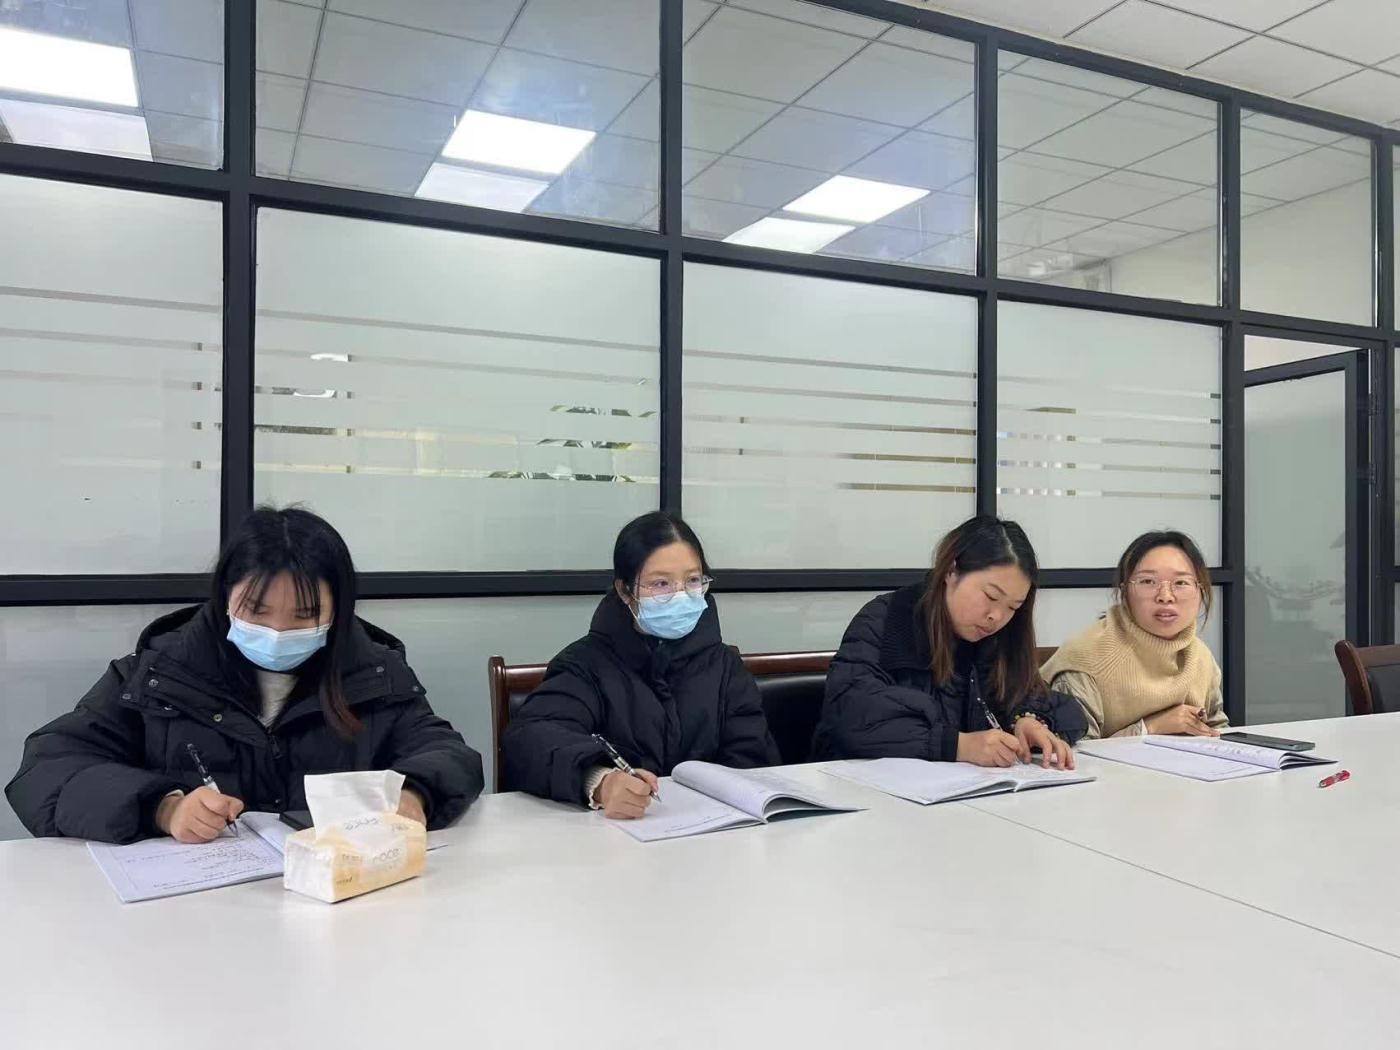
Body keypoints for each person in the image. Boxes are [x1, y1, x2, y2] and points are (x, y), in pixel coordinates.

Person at [6, 506, 483, 844]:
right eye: (256, 610)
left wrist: (415, 792)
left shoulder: (373, 675)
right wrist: (162, 807)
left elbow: (446, 752)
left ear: (338, 610)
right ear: (225, 597)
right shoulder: (158, 676)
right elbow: (47, 769)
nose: (278, 631)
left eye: (305, 614)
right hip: (194, 914)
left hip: (340, 903)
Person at [501, 511, 777, 818]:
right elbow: (531, 739)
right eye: (660, 584)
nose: (681, 596)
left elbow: (753, 758)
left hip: (715, 832)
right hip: (616, 835)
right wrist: (599, 780)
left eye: (693, 580)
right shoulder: (586, 664)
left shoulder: (725, 665)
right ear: (625, 590)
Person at [813, 515, 1085, 768]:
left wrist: (1027, 720)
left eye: (1013, 607)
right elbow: (850, 717)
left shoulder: (999, 640)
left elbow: (1066, 710)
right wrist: (959, 746)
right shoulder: (887, 621)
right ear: (952, 571)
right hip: (868, 790)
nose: (997, 616)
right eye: (991, 596)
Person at [1041, 530, 1227, 739]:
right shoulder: (1086, 659)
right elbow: (1075, 751)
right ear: (1124, 592)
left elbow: (1218, 731)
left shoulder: (1200, 657)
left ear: (1201, 591)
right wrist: (1150, 728)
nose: (1165, 596)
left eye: (1181, 583)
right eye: (1148, 582)